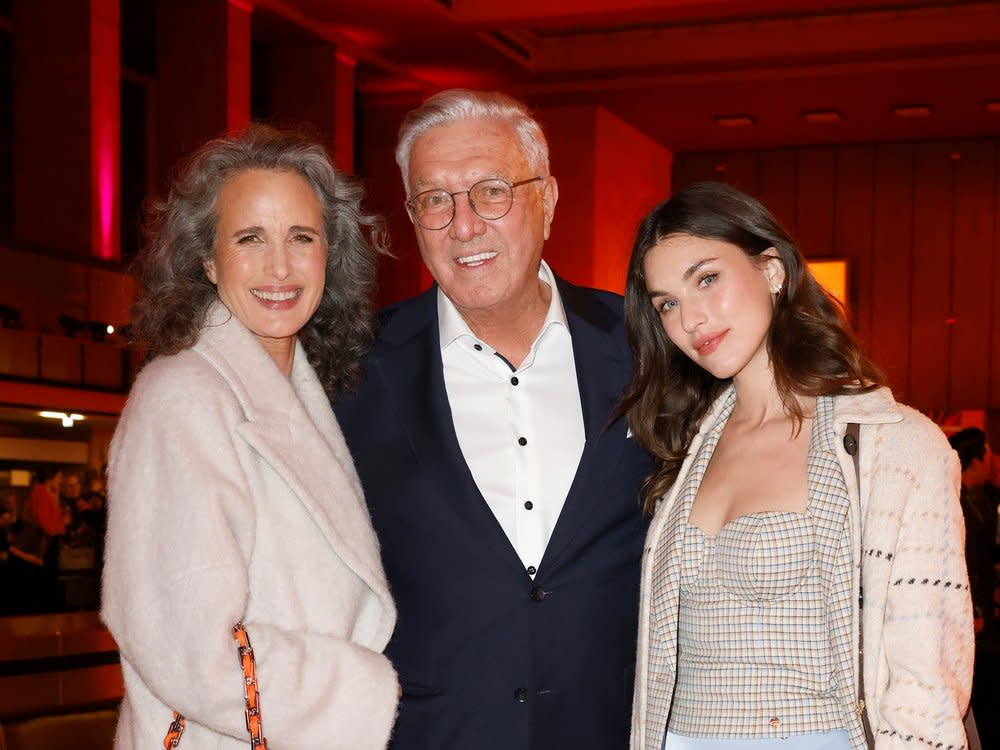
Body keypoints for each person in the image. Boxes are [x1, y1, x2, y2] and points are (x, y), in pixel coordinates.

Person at [334, 89, 652, 749]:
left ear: (549, 200)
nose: (464, 225)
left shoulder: (646, 349)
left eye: (491, 191)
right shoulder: (351, 373)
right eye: (435, 200)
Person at [620, 182, 974, 750]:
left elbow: (926, 683)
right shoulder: (686, 447)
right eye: (667, 303)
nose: (692, 319)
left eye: (707, 279)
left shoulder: (898, 449)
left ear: (772, 270)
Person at [101, 126, 399, 750]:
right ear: (207, 259)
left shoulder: (300, 392)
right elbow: (188, 644)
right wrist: (364, 692)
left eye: (301, 238)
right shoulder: (181, 397)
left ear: (329, 256)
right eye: (250, 239)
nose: (280, 267)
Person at [949, 427, 997, 632]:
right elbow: (967, 559)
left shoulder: (968, 497)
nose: (991, 463)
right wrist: (974, 609)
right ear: (975, 462)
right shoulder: (958, 501)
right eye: (987, 456)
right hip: (968, 608)